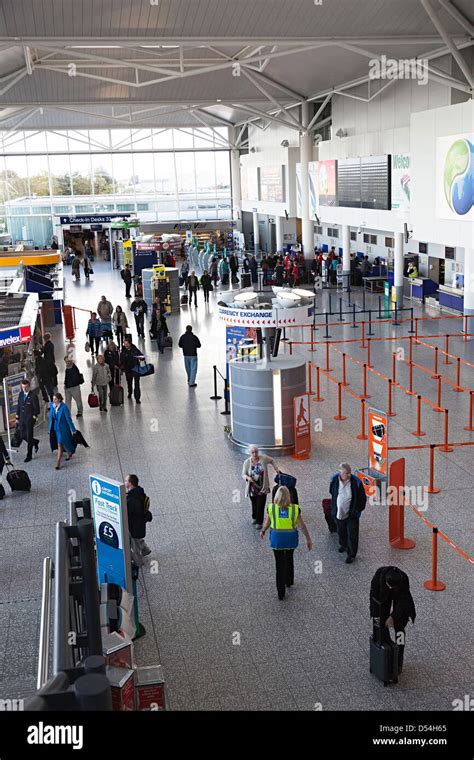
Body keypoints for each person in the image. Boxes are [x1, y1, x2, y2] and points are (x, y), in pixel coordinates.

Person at [260, 485, 312, 600]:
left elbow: (267, 522)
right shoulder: (294, 508)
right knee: (289, 557)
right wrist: (308, 538)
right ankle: (289, 581)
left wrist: (263, 530)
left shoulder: (271, 508)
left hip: (277, 540)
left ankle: (281, 592)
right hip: (290, 539)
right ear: (289, 496)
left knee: (279, 564)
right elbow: (301, 525)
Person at [370, 566, 416, 674]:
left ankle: (398, 660)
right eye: (390, 586)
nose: (391, 588)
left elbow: (403, 601)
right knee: (380, 625)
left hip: (400, 602)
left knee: (400, 630)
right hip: (382, 600)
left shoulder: (403, 579)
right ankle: (384, 653)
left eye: (393, 587)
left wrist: (393, 617)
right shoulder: (378, 577)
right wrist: (377, 618)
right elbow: (374, 599)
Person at [329, 463, 366, 564]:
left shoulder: (356, 482)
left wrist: (357, 510)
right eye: (344, 473)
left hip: (352, 514)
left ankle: (351, 554)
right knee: (341, 530)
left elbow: (362, 498)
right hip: (338, 513)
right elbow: (332, 492)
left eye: (347, 473)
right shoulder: (335, 480)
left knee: (352, 534)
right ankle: (343, 544)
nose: (348, 475)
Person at [242, 445, 280, 529]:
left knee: (261, 504)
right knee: (254, 503)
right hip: (252, 488)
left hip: (263, 487)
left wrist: (276, 469)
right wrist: (248, 478)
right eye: (252, 452)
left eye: (256, 452)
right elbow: (243, 474)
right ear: (250, 453)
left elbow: (272, 460)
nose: (255, 454)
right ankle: (254, 517)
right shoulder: (247, 462)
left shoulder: (263, 458)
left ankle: (259, 522)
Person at [125, 474, 151, 560]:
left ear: (130, 483)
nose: (124, 482)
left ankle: (139, 561)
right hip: (138, 524)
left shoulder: (132, 499)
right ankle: (145, 550)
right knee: (138, 539)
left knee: (135, 544)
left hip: (134, 525)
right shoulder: (139, 492)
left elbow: (128, 512)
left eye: (126, 481)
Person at [48, 392, 76, 470]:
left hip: (63, 429)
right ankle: (69, 452)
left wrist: (73, 429)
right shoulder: (52, 406)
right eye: (53, 399)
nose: (54, 400)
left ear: (59, 399)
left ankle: (58, 462)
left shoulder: (64, 407)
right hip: (55, 428)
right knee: (63, 442)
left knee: (60, 443)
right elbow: (51, 418)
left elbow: (68, 419)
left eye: (55, 399)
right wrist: (49, 429)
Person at [16, 380, 40, 463]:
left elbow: (37, 410)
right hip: (22, 419)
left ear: (29, 386)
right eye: (23, 387)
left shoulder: (33, 396)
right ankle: (35, 442)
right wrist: (17, 417)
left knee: (29, 437)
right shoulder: (21, 394)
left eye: (26, 387)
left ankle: (29, 455)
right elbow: (19, 406)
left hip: (29, 420)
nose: (24, 389)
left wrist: (33, 419)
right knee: (22, 435)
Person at [120, 338, 142, 404]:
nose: (126, 345)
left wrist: (142, 357)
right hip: (128, 370)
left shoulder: (135, 350)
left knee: (137, 384)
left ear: (130, 343)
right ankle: (130, 392)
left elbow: (141, 355)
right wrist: (122, 368)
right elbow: (121, 361)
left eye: (127, 343)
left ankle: (137, 398)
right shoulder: (123, 352)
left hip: (136, 369)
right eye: (125, 343)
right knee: (129, 382)